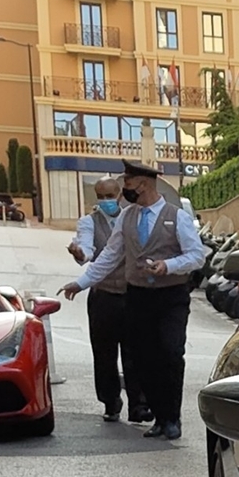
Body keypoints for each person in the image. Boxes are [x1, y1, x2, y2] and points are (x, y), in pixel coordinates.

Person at [62, 161, 204, 440]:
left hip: (171, 297)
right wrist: (80, 283)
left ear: (144, 184)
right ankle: (159, 418)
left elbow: (197, 256)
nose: (124, 189)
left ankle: (172, 418)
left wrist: (169, 265)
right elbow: (110, 255)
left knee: (170, 353)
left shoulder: (176, 217)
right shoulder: (128, 218)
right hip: (138, 295)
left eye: (127, 183)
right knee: (143, 358)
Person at [69, 176, 143, 423]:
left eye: (109, 196)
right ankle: (111, 402)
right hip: (103, 296)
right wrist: (80, 253)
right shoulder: (88, 222)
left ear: (120, 195)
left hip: (132, 295)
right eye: (100, 197)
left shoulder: (135, 216)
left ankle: (138, 405)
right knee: (104, 354)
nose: (105, 201)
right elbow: (87, 250)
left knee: (135, 353)